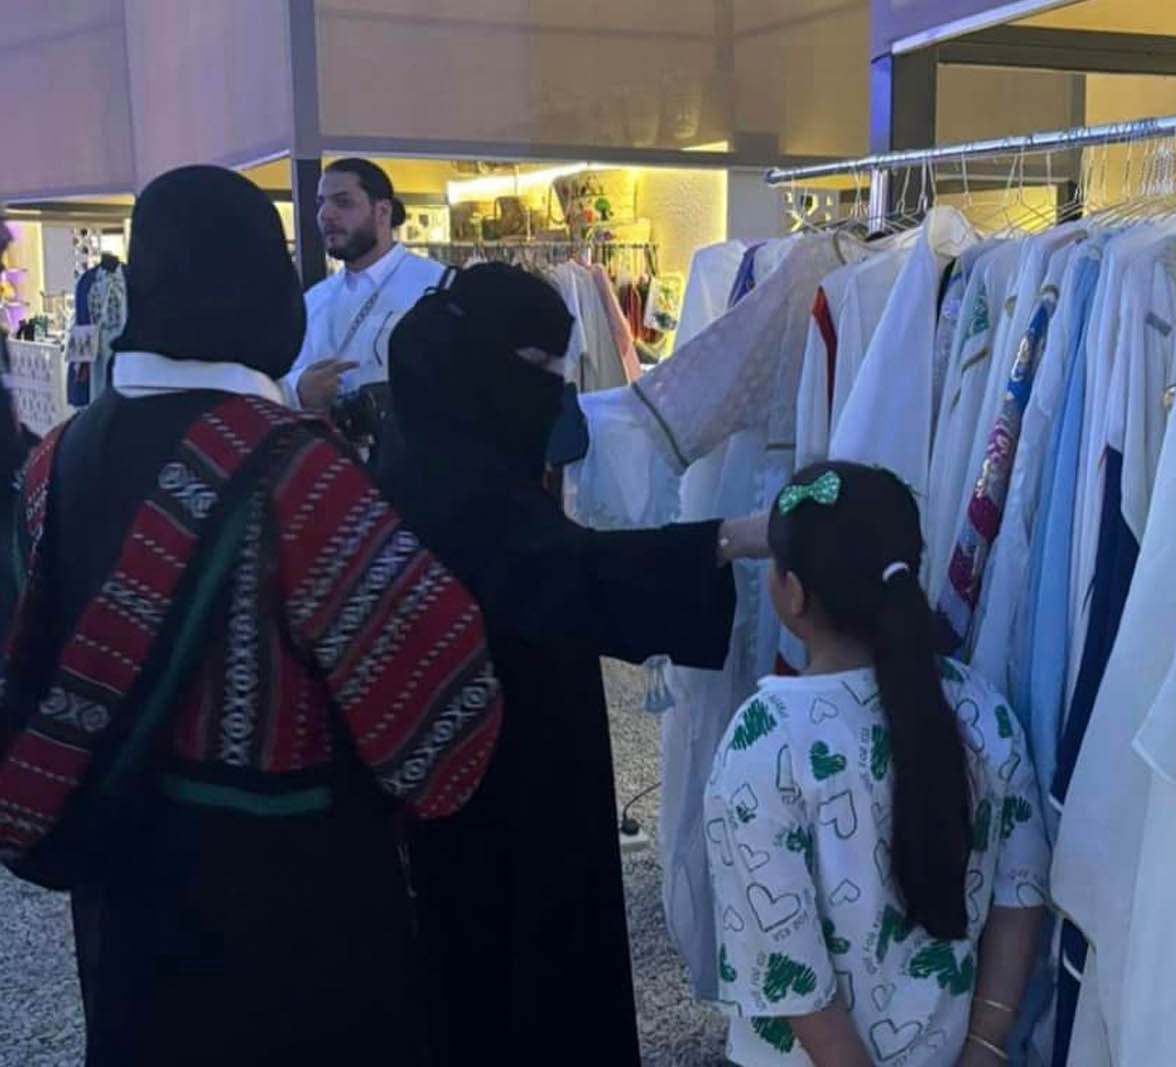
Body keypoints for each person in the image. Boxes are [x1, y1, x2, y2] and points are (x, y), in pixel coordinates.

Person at [0, 166, 503, 1067]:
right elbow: (440, 719)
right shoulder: (296, 471)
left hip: (122, 909)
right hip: (291, 916)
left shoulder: (55, 460)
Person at [376, 262, 766, 1067]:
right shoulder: (449, 476)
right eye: (541, 368)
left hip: (499, 745)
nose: (554, 390)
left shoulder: (434, 437)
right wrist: (730, 538)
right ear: (489, 359)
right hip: (499, 767)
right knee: (525, 959)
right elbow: (561, 574)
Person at [705, 461, 1051, 1067]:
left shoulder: (766, 742)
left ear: (791, 593)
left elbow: (787, 961)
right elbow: (1020, 891)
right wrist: (986, 1047)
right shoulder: (983, 712)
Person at [281, 157, 443, 415]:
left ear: (382, 212)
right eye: (321, 203)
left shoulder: (436, 285)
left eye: (343, 202)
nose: (325, 215)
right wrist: (299, 388)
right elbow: (286, 378)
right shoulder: (315, 299)